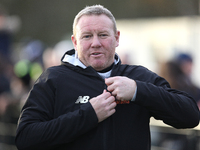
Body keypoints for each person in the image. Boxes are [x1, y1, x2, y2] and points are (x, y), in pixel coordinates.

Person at [15, 5, 199, 150]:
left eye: (103, 35)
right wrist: (88, 115)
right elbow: (25, 138)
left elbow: (190, 116)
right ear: (75, 41)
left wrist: (138, 91)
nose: (96, 43)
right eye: (87, 36)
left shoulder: (138, 76)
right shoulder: (53, 79)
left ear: (117, 38)